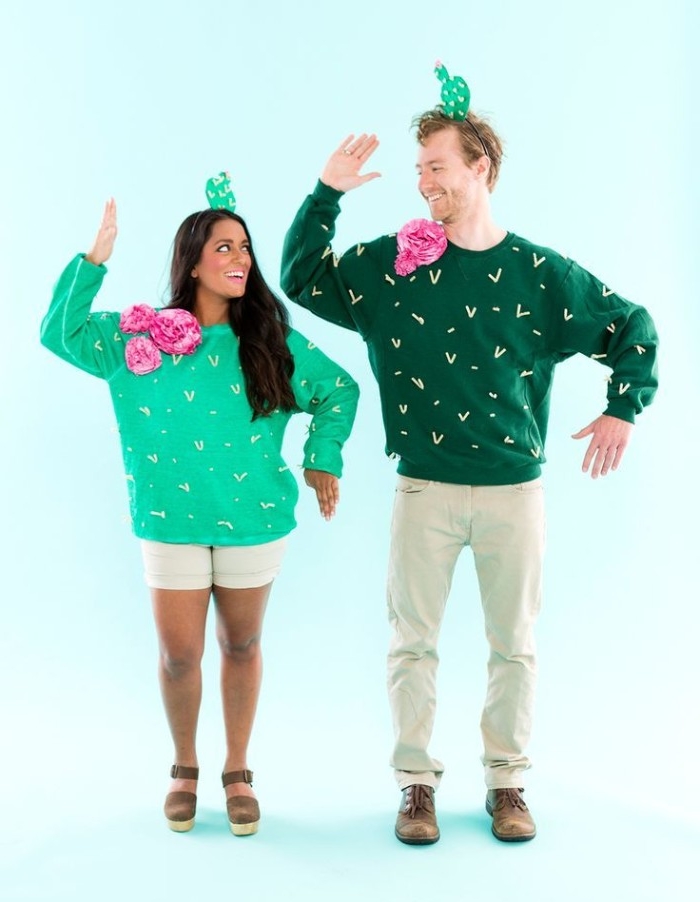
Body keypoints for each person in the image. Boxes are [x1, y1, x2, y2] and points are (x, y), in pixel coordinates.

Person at [280, 64, 658, 845]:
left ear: (479, 166)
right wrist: (327, 192)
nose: (423, 184)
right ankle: (415, 784)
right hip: (422, 491)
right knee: (411, 642)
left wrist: (624, 407)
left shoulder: (543, 275)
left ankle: (508, 784)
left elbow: (633, 327)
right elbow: (299, 278)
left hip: (514, 495)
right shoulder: (394, 266)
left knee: (513, 645)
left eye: (436, 168)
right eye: (419, 170)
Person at [41, 191, 359, 836]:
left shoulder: (270, 342)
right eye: (223, 247)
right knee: (179, 655)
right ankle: (184, 766)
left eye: (244, 248)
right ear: (191, 263)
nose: (239, 258)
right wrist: (92, 261)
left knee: (241, 644)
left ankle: (237, 768)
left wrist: (323, 456)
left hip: (254, 518)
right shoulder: (138, 339)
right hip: (169, 522)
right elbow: (59, 332)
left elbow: (339, 389)